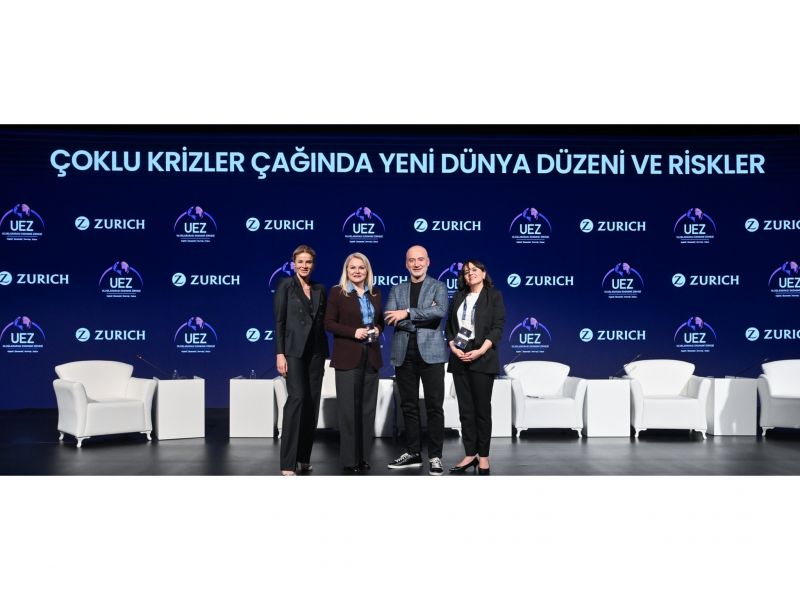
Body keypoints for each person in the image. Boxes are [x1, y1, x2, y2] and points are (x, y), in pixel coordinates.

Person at [384, 245, 449, 475]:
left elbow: (439, 312)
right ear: (406, 263)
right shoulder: (397, 288)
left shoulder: (438, 286)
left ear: (428, 262)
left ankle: (435, 456)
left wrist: (407, 312)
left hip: (432, 354)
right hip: (404, 354)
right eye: (412, 260)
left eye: (420, 259)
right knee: (408, 405)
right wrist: (421, 317)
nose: (416, 264)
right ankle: (413, 452)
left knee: (434, 406)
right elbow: (390, 317)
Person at [324, 252, 384, 474]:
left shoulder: (375, 292)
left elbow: (380, 322)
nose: (357, 271)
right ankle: (350, 460)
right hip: (347, 357)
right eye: (353, 268)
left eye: (361, 267)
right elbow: (329, 323)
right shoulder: (337, 292)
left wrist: (377, 329)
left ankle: (364, 457)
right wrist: (353, 332)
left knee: (367, 411)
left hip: (372, 356)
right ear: (346, 271)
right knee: (348, 412)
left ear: (367, 270)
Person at [446, 259, 505, 475]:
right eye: (466, 271)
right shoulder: (458, 296)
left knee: (482, 410)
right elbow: (449, 327)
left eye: (474, 270)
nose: (470, 273)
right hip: (459, 355)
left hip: (483, 355)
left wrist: (481, 350)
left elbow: (498, 327)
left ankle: (484, 457)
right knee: (466, 410)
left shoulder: (494, 295)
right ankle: (470, 454)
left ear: (483, 272)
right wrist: (453, 346)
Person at [273, 245, 329, 476]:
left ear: (313, 264)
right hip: (293, 352)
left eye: (308, 262)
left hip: (316, 353)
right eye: (301, 261)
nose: (304, 265)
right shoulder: (285, 285)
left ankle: (304, 458)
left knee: (311, 405)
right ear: (293, 263)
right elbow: (279, 322)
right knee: (297, 399)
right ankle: (288, 463)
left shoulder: (319, 288)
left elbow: (324, 321)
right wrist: (280, 353)